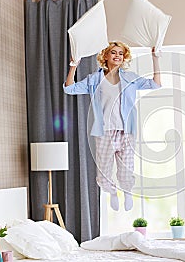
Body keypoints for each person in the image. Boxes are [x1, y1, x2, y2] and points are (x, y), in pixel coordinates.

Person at [64, 41, 161, 211]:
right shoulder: (95, 79)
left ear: (124, 58)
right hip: (104, 131)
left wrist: (155, 58)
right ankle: (113, 193)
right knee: (103, 174)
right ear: (106, 56)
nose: (117, 56)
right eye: (114, 52)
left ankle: (127, 192)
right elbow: (69, 89)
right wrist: (73, 67)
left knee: (126, 171)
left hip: (126, 131)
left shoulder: (130, 78)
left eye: (121, 53)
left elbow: (156, 84)